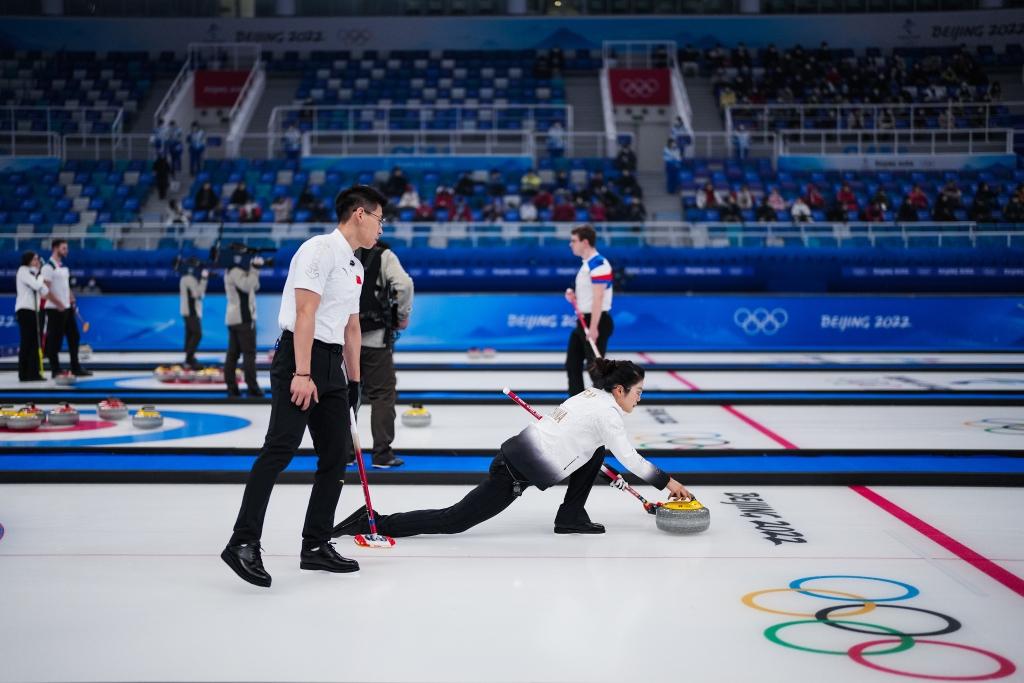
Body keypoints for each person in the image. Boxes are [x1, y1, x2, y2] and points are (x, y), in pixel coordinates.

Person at [222, 185, 386, 588]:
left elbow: (351, 327)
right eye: (379, 219)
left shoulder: (356, 266)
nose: (381, 228)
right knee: (280, 449)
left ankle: (315, 544)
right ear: (360, 214)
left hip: (333, 366)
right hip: (301, 357)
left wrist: (355, 384)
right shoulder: (318, 250)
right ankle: (242, 542)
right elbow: (304, 311)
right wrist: (301, 372)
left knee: (336, 456)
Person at [331, 359, 694, 540]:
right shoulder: (608, 414)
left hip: (518, 458)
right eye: (638, 392)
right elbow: (629, 458)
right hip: (512, 472)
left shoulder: (590, 397)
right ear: (619, 390)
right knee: (452, 521)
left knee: (596, 450)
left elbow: (593, 444)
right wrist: (669, 483)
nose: (640, 398)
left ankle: (570, 516)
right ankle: (374, 520)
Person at [355, 241, 414, 469]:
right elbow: (404, 285)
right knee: (382, 395)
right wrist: (402, 315)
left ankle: (344, 454)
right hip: (374, 339)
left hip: (340, 339)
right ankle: (382, 455)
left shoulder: (339, 251)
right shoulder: (384, 256)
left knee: (345, 396)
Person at [564, 225, 613, 396]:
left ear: (585, 242)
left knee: (596, 372)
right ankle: (576, 405)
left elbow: (599, 298)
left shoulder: (599, 264)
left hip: (596, 321)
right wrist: (574, 296)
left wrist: (593, 328)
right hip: (583, 321)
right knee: (572, 364)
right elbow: (589, 296)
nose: (571, 244)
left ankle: (605, 406)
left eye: (574, 241)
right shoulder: (586, 265)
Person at [41, 239, 90, 378]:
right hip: (55, 309)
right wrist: (58, 304)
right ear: (55, 248)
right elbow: (45, 291)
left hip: (67, 308)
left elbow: (65, 286)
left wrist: (71, 297)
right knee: (55, 340)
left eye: (66, 248)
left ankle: (75, 367)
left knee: (74, 337)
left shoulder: (62, 267)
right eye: (64, 248)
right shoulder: (48, 267)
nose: (66, 251)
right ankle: (55, 370)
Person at [223, 250, 264, 398]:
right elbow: (247, 286)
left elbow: (255, 286)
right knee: (249, 354)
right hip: (243, 318)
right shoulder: (235, 271)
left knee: (233, 354)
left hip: (235, 318)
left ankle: (232, 387)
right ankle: (252, 388)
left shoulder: (233, 270)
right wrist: (255, 269)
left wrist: (253, 271)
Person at [15, 250, 47, 382]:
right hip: (25, 310)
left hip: (35, 310)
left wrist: (39, 276)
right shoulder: (23, 271)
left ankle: (34, 372)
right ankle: (23, 373)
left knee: (35, 343)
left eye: (38, 259)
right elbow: (36, 285)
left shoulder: (34, 274)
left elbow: (44, 290)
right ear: (28, 260)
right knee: (26, 342)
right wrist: (41, 275)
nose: (37, 261)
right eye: (34, 259)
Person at [179, 260, 208, 369]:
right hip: (191, 311)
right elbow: (198, 294)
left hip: (189, 311)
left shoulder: (188, 278)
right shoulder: (189, 279)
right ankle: (189, 359)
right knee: (197, 334)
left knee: (190, 334)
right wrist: (204, 279)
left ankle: (188, 359)